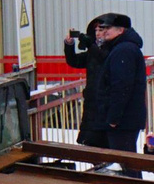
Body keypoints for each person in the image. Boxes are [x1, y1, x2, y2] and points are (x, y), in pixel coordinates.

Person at [63, 12, 148, 154]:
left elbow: (121, 86)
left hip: (115, 117)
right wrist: (69, 45)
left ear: (120, 30)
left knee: (118, 156)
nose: (99, 33)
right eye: (96, 30)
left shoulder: (120, 50)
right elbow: (75, 61)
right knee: (99, 151)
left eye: (104, 29)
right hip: (99, 110)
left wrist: (113, 118)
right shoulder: (114, 48)